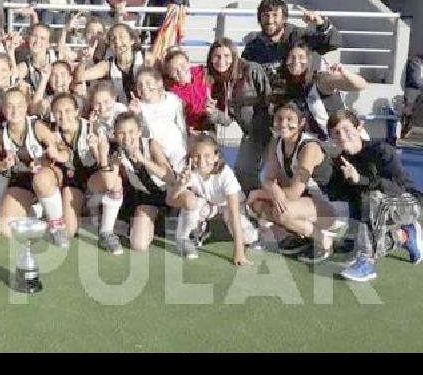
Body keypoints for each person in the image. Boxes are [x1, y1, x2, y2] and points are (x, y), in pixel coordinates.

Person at [325, 110, 422, 282]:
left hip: (409, 202)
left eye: (346, 130)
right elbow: (340, 195)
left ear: (359, 128)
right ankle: (404, 236)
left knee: (372, 196)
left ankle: (367, 263)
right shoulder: (341, 161)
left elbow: (397, 188)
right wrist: (326, 169)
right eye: (336, 133)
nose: (342, 136)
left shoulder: (381, 151)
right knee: (361, 201)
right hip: (375, 209)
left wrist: (359, 179)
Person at [246, 102, 342, 263]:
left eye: (290, 119)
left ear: (301, 123)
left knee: (281, 211)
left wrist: (260, 192)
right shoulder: (276, 142)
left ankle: (324, 240)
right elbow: (269, 178)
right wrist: (274, 191)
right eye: (279, 118)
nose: (283, 123)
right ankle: (297, 236)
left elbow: (294, 192)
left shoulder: (309, 147)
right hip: (303, 203)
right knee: (259, 204)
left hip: (330, 207)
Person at [0, 88, 72, 247]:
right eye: (10, 106)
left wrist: (54, 155)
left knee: (41, 178)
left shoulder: (36, 126)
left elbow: (66, 153)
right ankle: (37, 209)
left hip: (47, 175)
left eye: (19, 105)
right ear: (3, 108)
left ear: (26, 107)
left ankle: (57, 227)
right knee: (5, 228)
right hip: (22, 181)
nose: (15, 111)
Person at [167, 133, 258, 263]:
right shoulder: (188, 172)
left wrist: (239, 252)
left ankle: (256, 228)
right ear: (191, 157)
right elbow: (170, 200)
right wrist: (180, 186)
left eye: (207, 156)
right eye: (197, 156)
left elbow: (234, 212)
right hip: (207, 204)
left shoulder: (225, 175)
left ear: (216, 157)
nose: (202, 161)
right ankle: (184, 238)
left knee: (247, 237)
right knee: (194, 202)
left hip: (228, 207)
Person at [51, 92, 121, 251]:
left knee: (114, 181)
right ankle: (88, 209)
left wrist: (95, 149)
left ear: (76, 111)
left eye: (68, 111)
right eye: (58, 112)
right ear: (53, 114)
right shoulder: (51, 133)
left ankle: (106, 231)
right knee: (68, 231)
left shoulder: (92, 128)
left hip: (93, 180)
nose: (63, 116)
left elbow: (104, 165)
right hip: (72, 183)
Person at [205, 38, 271, 193]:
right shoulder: (218, 83)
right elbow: (228, 120)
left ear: (234, 56)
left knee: (274, 172)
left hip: (270, 129)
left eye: (226, 56)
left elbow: (269, 97)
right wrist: (213, 114)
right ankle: (256, 202)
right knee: (242, 171)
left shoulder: (251, 70)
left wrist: (275, 128)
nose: (222, 61)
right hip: (250, 133)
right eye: (217, 56)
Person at [104, 112, 175, 251]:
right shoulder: (117, 153)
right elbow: (111, 184)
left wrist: (143, 160)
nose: (126, 137)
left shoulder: (151, 144)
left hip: (169, 194)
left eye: (131, 132)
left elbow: (170, 177)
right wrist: (114, 165)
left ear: (139, 132)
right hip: (147, 199)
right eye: (121, 133)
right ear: (115, 135)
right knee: (139, 245)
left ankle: (190, 225)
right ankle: (149, 222)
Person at [271, 43, 367, 141]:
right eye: (292, 57)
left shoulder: (320, 80)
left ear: (309, 60)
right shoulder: (287, 87)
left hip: (343, 139)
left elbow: (360, 85)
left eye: (301, 57)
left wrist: (344, 73)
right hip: (316, 142)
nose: (296, 62)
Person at [241, 0, 342, 87]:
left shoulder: (299, 35)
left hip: (300, 94)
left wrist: (321, 23)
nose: (270, 20)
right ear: (259, 19)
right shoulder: (254, 45)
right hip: (269, 97)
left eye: (275, 15)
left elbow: (333, 43)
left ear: (284, 18)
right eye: (265, 15)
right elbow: (244, 72)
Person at [76, 24, 154, 104]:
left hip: (148, 106)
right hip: (122, 110)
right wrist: (84, 61)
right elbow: (80, 77)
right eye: (113, 39)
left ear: (132, 40)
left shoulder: (146, 58)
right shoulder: (107, 65)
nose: (117, 42)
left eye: (121, 37)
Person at [162, 49, 214, 134]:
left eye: (182, 65)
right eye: (174, 70)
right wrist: (186, 129)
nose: (180, 71)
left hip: (208, 122)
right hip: (189, 129)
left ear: (189, 63)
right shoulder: (172, 92)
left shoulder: (203, 74)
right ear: (170, 74)